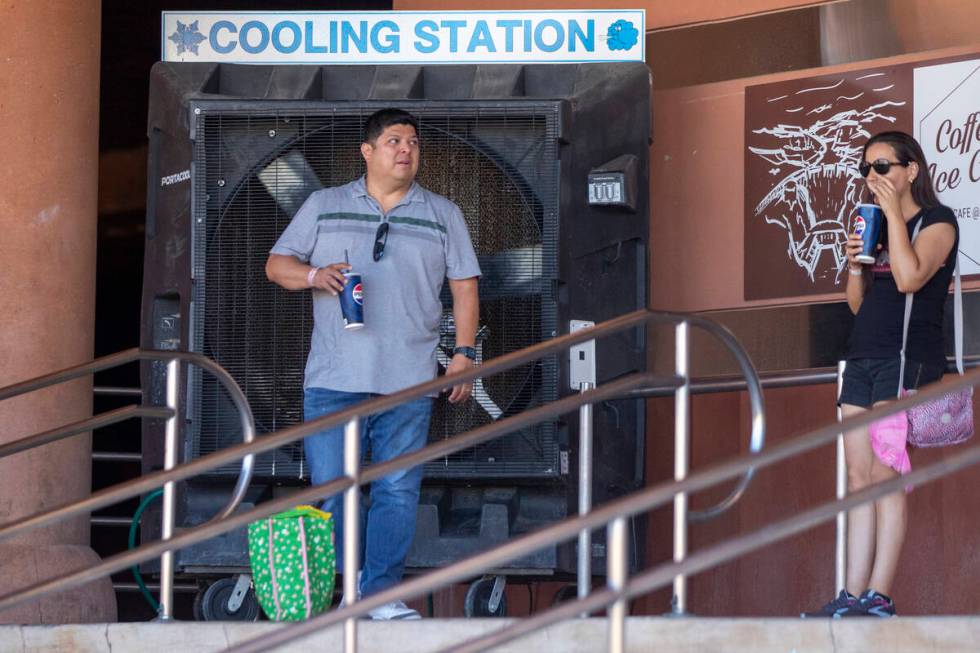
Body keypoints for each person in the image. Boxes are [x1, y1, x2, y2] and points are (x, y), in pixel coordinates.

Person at [266, 108, 481, 620]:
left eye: (412, 141)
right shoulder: (324, 203)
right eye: (392, 141)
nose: (405, 149)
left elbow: (465, 287)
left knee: (398, 490)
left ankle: (378, 594)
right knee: (334, 490)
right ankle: (347, 590)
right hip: (334, 380)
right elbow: (277, 266)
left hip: (408, 382)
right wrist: (316, 274)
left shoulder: (443, 213)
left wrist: (465, 356)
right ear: (367, 151)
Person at [802, 131, 958, 618]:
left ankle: (879, 595)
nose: (873, 177)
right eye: (867, 169)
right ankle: (851, 594)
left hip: (905, 356)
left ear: (911, 171)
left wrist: (892, 215)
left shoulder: (937, 221)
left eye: (883, 167)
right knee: (858, 474)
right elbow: (859, 305)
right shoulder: (874, 222)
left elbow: (912, 278)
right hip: (864, 354)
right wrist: (855, 267)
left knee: (885, 470)